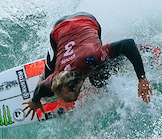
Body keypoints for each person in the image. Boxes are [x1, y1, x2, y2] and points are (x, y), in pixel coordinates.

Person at [21, 13, 151, 118]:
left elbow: (127, 44)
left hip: (86, 21)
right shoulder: (55, 77)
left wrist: (142, 78)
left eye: (64, 97)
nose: (63, 100)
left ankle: (141, 49)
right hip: (59, 29)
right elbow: (40, 88)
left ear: (77, 86)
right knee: (46, 84)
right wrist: (34, 101)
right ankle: (44, 75)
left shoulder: (91, 59)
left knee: (99, 79)